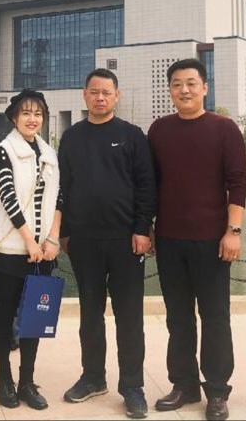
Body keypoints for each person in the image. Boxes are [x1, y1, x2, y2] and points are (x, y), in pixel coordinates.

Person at [148, 58, 246, 421]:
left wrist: (233, 231)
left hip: (212, 240)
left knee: (215, 317)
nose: (184, 90)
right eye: (177, 84)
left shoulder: (224, 129)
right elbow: (151, 184)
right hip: (170, 239)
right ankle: (184, 384)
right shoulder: (159, 130)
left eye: (191, 83)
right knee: (178, 317)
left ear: (205, 88)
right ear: (170, 90)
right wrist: (149, 226)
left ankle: (217, 391)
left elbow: (238, 183)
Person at [59, 68, 156, 420]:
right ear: (84, 95)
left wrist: (142, 229)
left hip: (126, 240)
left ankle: (132, 386)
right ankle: (93, 377)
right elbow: (63, 187)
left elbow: (146, 185)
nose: (100, 98)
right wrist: (65, 232)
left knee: (129, 316)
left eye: (106, 92)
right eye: (94, 92)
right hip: (84, 240)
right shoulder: (71, 137)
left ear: (117, 96)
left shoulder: (132, 135)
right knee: (90, 313)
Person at [0, 89, 61, 410]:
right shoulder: (4, 151)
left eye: (38, 114)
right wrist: (28, 241)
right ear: (14, 118)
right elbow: (8, 198)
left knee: (35, 315)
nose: (33, 119)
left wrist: (52, 239)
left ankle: (27, 381)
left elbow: (59, 197)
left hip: (43, 251)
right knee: (6, 311)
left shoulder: (49, 153)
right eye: (26, 113)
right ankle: (4, 376)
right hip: (12, 249)